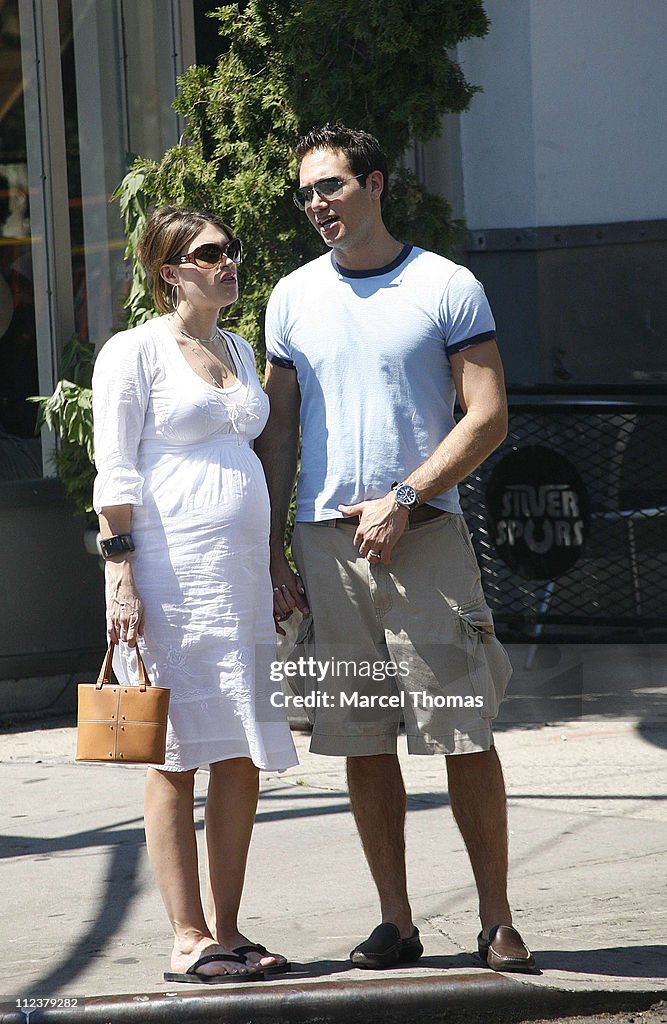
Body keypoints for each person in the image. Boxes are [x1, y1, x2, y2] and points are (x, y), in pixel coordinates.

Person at [255, 125, 536, 973]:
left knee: (462, 732)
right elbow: (277, 438)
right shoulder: (291, 296)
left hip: (426, 540)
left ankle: (495, 920)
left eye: (330, 187)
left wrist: (406, 497)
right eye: (305, 192)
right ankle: (396, 922)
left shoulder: (445, 285)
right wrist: (273, 553)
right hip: (324, 545)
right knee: (360, 739)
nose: (315, 204)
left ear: (374, 185)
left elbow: (487, 416)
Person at [92, 205, 298, 985]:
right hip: (170, 578)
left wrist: (276, 562)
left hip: (238, 577)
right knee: (176, 751)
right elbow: (115, 468)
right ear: (170, 270)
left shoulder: (239, 349)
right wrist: (120, 574)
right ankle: (186, 937)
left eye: (230, 250)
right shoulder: (134, 352)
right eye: (210, 253)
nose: (228, 261)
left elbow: (256, 453)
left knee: (239, 747)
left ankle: (230, 928)